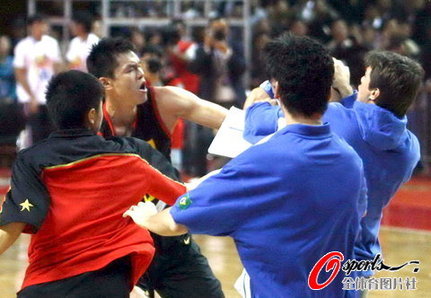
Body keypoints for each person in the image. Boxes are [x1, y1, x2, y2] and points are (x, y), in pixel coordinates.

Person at [124, 34, 367, 297]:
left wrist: (147, 216)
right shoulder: (351, 159)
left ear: (278, 90)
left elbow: (174, 222)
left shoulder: (261, 161)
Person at [0, 70, 187, 297]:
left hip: (45, 285)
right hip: (108, 285)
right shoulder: (129, 161)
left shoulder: (31, 160)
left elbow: (11, 228)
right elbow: (184, 198)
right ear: (92, 115)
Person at [243, 51, 423, 282]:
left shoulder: (332, 119)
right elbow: (366, 126)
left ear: (375, 93)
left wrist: (269, 88)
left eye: (364, 80)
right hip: (359, 258)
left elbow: (257, 122)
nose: (359, 84)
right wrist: (345, 89)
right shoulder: (410, 149)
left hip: (312, 254)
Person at [87, 37, 225, 298]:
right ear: (105, 83)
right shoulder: (88, 125)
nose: (142, 73)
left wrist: (273, 113)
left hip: (168, 234)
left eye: (139, 66)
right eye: (130, 69)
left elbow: (235, 124)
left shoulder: (164, 101)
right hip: (118, 245)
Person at [13, 14, 63, 146]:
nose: (42, 27)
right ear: (31, 27)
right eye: (39, 24)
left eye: (44, 24)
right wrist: (31, 96)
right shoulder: (23, 46)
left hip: (49, 95)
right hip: (31, 98)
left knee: (52, 132)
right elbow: (19, 73)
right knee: (34, 134)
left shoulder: (52, 43)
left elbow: (57, 69)